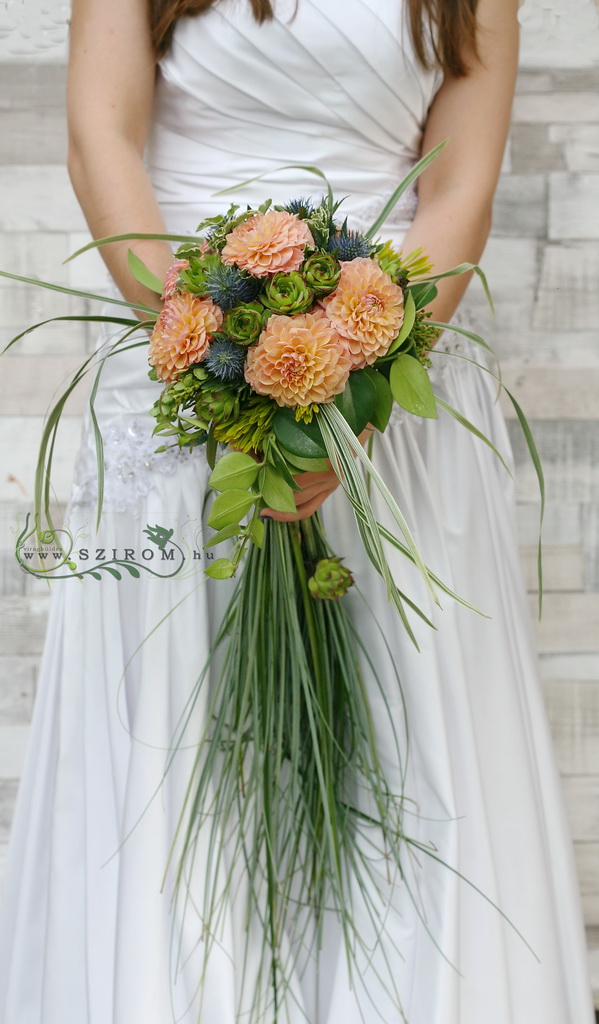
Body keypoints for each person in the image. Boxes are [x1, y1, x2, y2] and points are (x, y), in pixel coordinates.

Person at [0, 0, 595, 1021]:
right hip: (175, 367)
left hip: (389, 383)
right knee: (169, 746)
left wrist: (355, 385)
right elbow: (100, 138)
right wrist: (212, 363)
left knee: (406, 734)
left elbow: (458, 183)